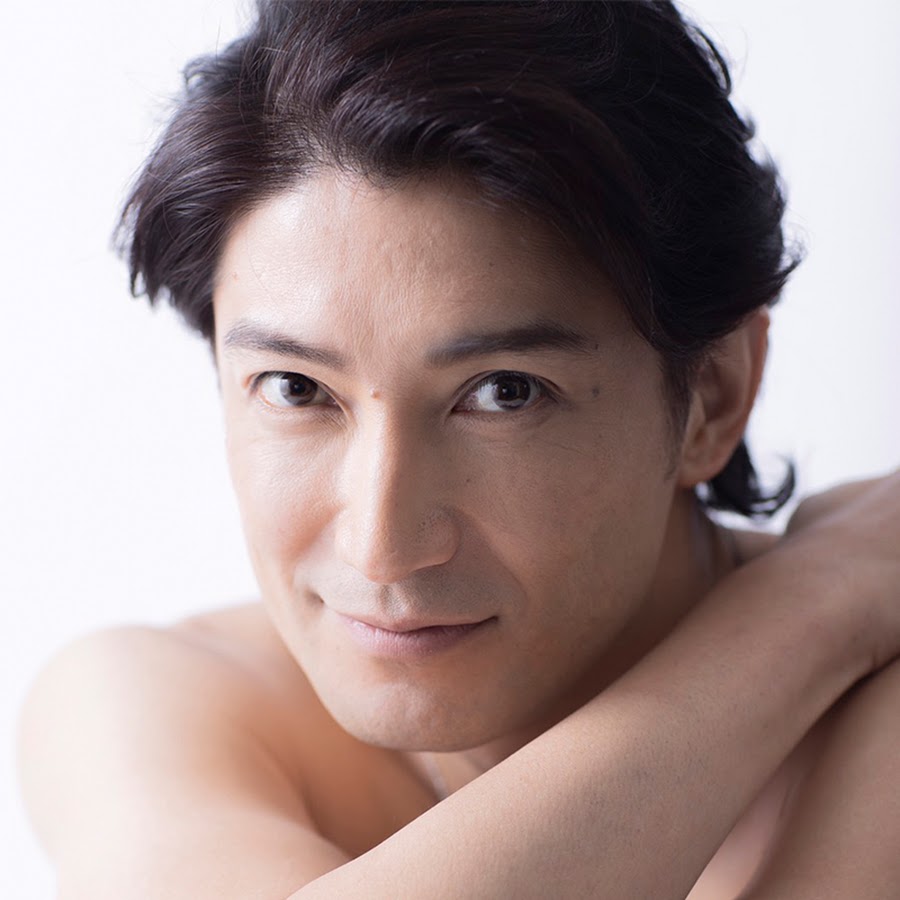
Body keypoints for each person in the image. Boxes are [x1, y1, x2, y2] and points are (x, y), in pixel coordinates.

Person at [17, 2, 900, 897]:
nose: (381, 546)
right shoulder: (154, 702)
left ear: (712, 395)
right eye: (295, 388)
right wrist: (811, 608)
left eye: (504, 392)